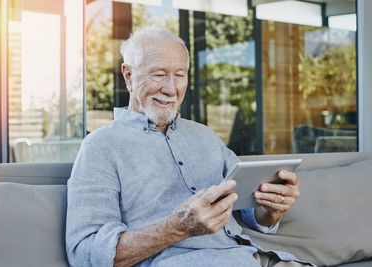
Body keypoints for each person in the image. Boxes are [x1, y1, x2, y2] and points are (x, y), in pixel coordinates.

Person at [66, 25, 310, 267]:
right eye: (159, 75)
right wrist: (174, 229)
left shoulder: (206, 137)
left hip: (253, 258)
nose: (171, 89)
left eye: (179, 75)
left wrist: (273, 207)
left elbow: (254, 216)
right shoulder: (100, 147)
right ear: (128, 76)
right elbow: (85, 251)